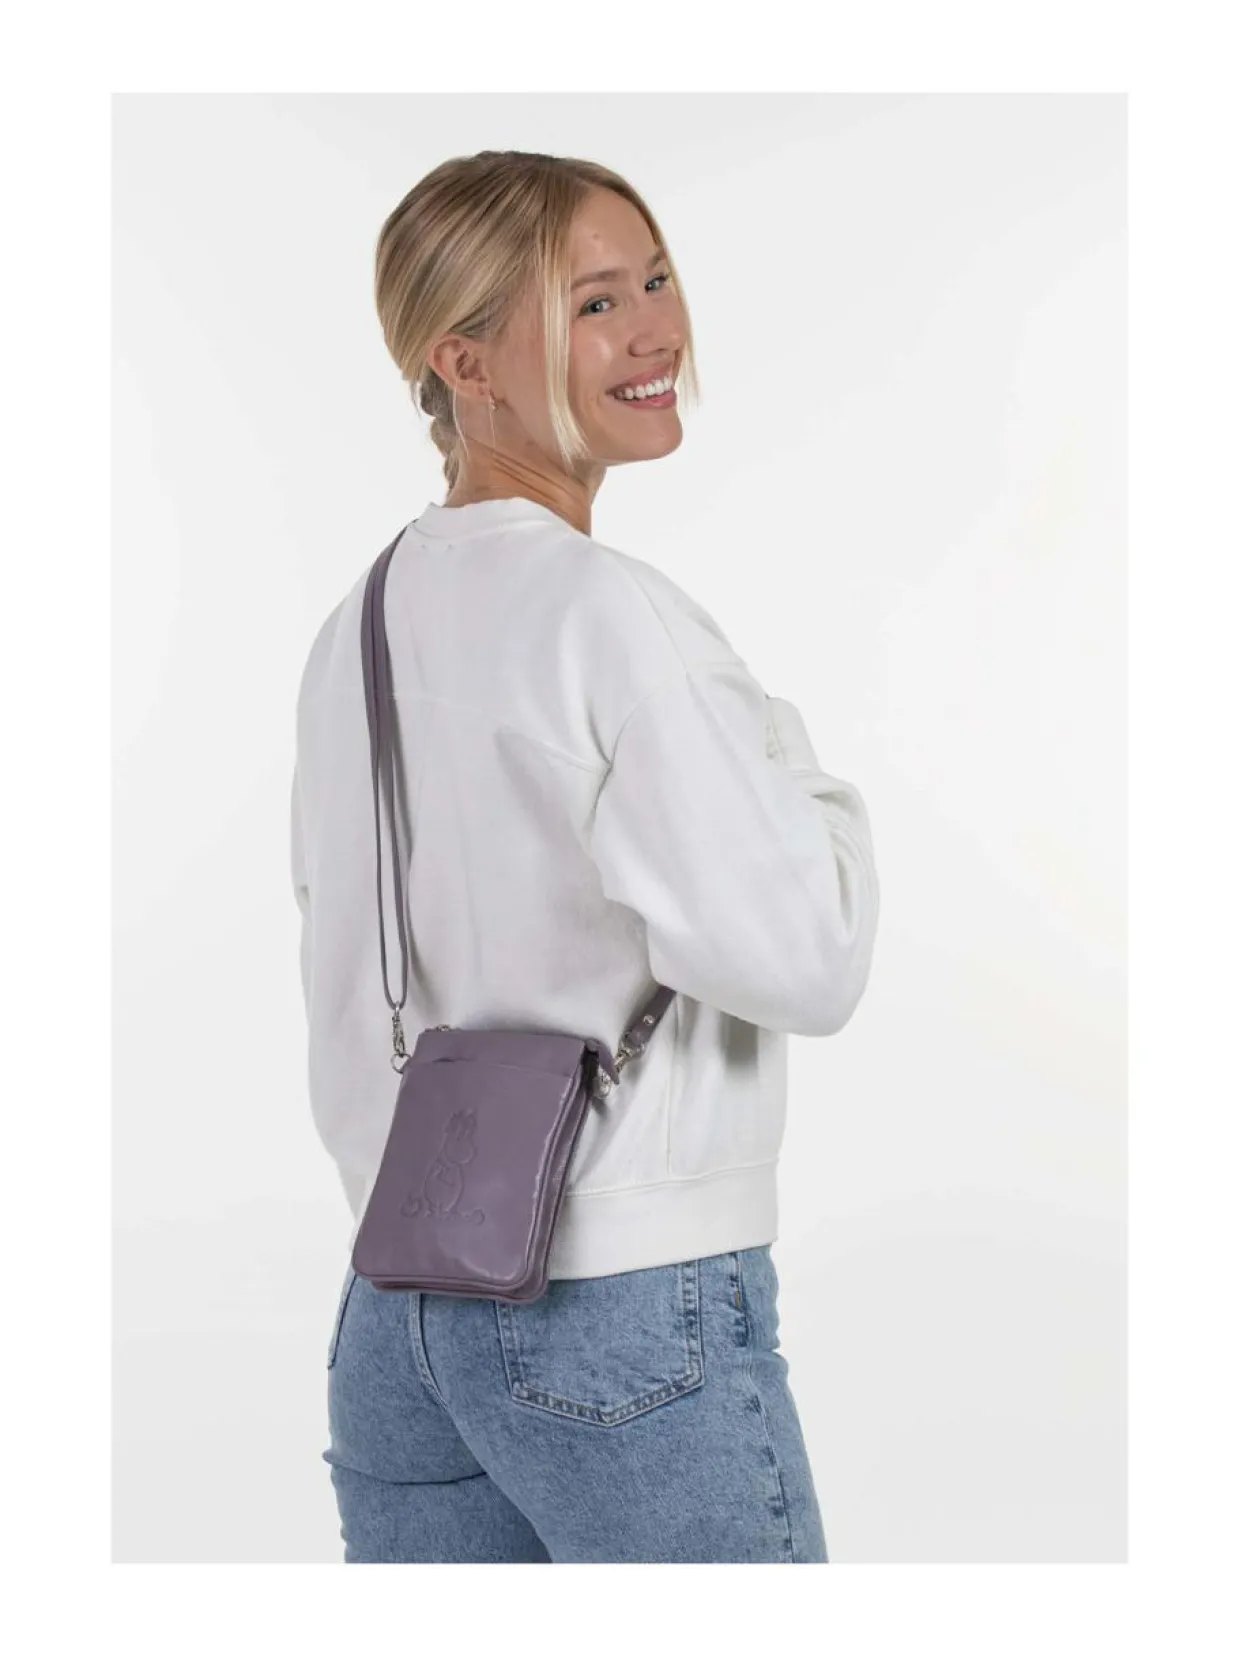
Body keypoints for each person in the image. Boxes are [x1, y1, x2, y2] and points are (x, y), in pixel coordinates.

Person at [290, 150, 881, 1563]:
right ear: (463, 362)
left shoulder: (358, 624)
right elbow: (810, 959)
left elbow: (340, 950)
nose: (655, 332)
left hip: (400, 1311)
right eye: (594, 303)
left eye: (656, 280)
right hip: (618, 1306)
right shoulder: (608, 615)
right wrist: (788, 757)